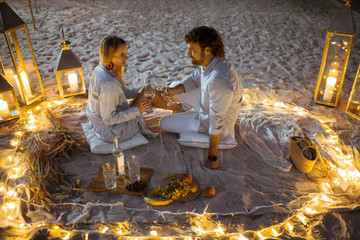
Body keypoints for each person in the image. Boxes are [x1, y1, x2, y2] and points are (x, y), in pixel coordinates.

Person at [160, 26, 243, 169]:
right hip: (208, 104)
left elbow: (217, 121)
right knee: (175, 85)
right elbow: (193, 79)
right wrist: (172, 91)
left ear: (208, 49)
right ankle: (186, 111)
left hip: (212, 124)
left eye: (192, 50)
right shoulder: (212, 63)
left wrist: (212, 157)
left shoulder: (220, 80)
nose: (188, 54)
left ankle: (190, 119)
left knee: (163, 123)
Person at [86, 35, 156, 144]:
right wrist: (137, 110)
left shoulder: (101, 69)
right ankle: (177, 108)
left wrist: (141, 89)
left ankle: (176, 106)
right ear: (109, 57)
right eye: (122, 54)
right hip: (112, 132)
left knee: (147, 90)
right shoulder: (108, 83)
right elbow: (109, 119)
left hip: (97, 123)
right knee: (148, 94)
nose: (126, 58)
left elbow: (122, 93)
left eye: (126, 53)